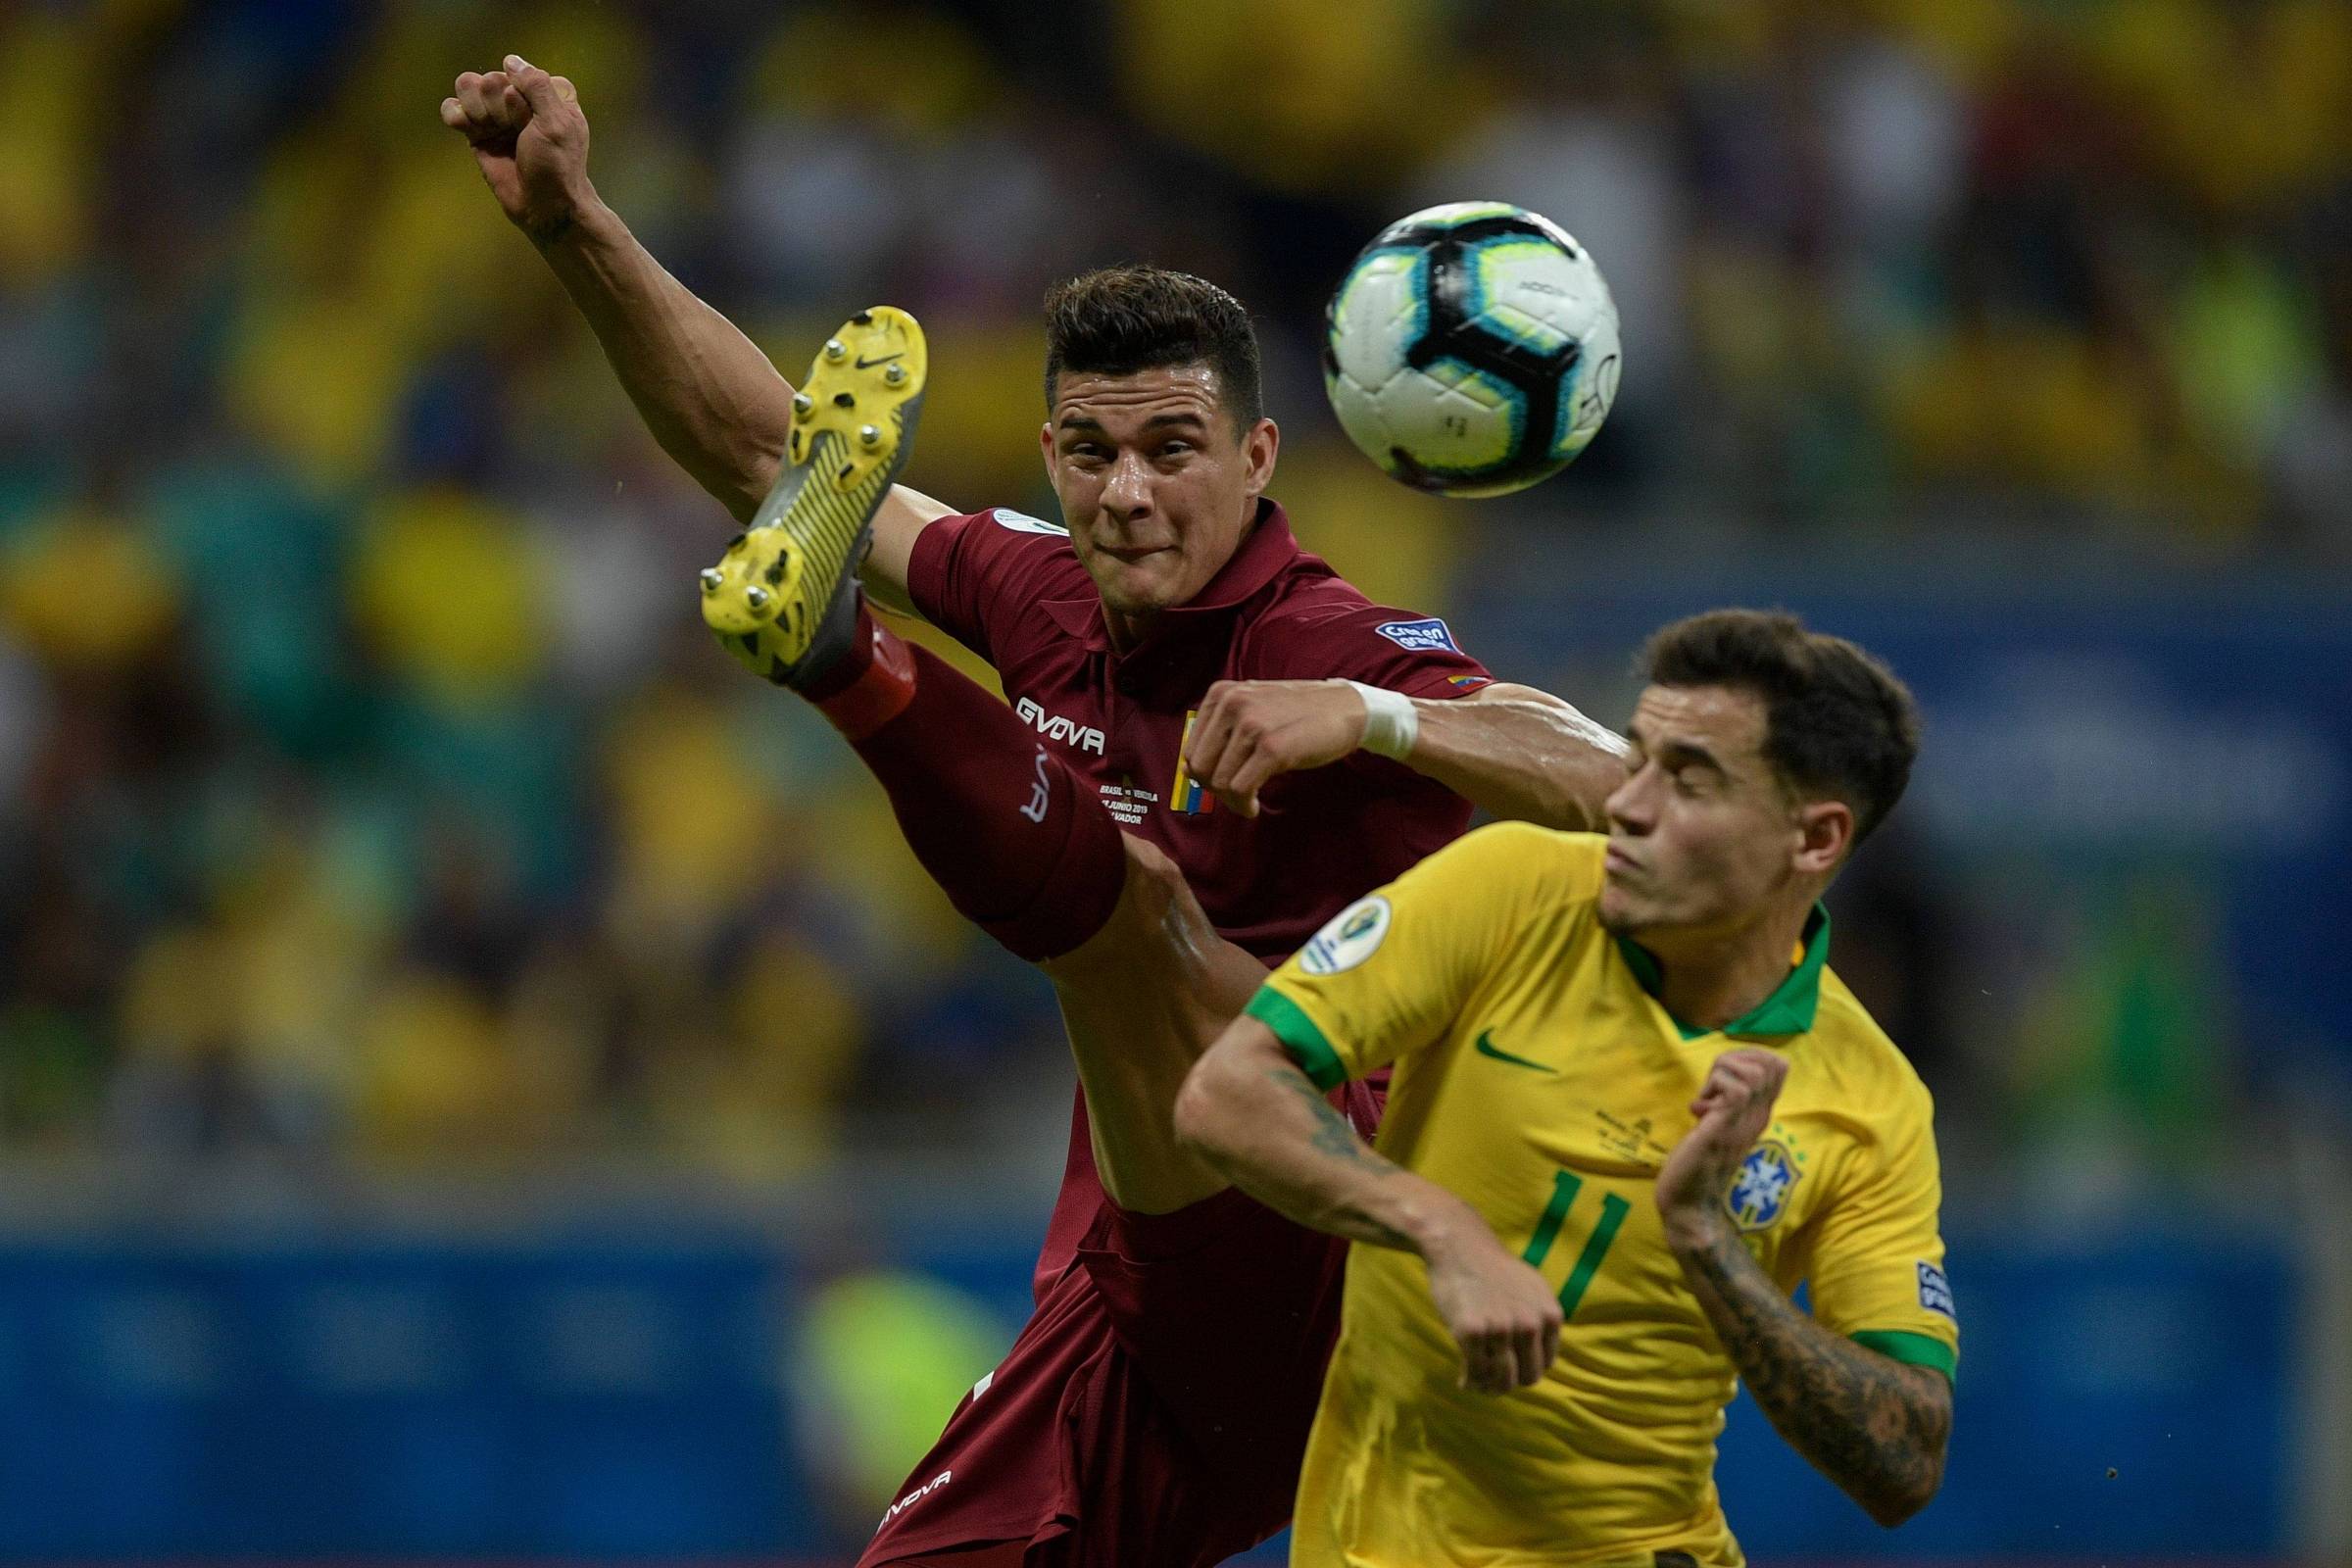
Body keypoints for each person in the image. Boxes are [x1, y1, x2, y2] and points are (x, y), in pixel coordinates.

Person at [439, 57, 1631, 1568]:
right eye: (1091, 453)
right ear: (1054, 455)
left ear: (1258, 461)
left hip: (1346, 1227)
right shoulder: (1045, 596)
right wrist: (574, 226)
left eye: (1172, 452)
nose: (1128, 493)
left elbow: (1615, 778)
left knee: (1135, 912)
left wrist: (1383, 720)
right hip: (1136, 1294)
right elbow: (764, 454)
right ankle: (846, 651)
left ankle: (850, 670)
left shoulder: (1331, 643)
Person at [1176, 609, 1956, 1567]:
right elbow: (1227, 1090)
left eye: (1690, 779)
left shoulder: (1869, 1101)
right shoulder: (1513, 887)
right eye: (1636, 759)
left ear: (1814, 836)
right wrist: (1437, 1224)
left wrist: (1713, 1249)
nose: (1627, 804)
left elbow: (1906, 1458)